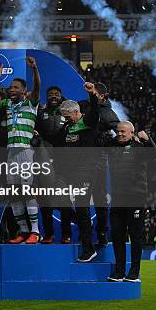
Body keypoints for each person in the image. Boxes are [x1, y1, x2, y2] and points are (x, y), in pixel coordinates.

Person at [0, 57, 42, 244]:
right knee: (14, 194)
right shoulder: (8, 105)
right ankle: (24, 232)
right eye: (10, 87)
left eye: (16, 87)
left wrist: (34, 69)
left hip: (25, 151)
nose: (12, 89)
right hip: (11, 153)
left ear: (24, 91)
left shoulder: (30, 104)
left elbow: (37, 87)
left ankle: (35, 231)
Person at [104, 122, 155, 283]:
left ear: (131, 133)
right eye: (118, 131)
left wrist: (148, 140)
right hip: (118, 199)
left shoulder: (139, 148)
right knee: (117, 236)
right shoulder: (112, 146)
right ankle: (119, 272)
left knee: (136, 236)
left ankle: (134, 273)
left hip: (136, 198)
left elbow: (155, 156)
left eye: (123, 132)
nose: (119, 134)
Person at [57, 82, 100, 262]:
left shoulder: (87, 122)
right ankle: (85, 224)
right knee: (62, 205)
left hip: (86, 173)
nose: (65, 120)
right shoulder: (67, 128)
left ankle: (89, 249)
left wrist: (92, 96)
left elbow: (95, 113)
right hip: (70, 174)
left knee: (82, 209)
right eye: (63, 117)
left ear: (76, 112)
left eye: (67, 117)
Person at [80, 82, 119, 248]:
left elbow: (120, 131)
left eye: (94, 93)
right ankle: (87, 236)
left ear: (102, 96)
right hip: (81, 162)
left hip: (98, 163)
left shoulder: (107, 113)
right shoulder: (85, 107)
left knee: (100, 201)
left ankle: (101, 233)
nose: (92, 95)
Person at [35, 86, 73, 244]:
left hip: (62, 161)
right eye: (50, 94)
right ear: (47, 97)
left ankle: (66, 234)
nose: (54, 96)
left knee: (64, 200)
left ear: (61, 96)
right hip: (43, 158)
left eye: (57, 94)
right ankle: (49, 234)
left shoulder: (67, 112)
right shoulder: (40, 113)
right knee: (45, 200)